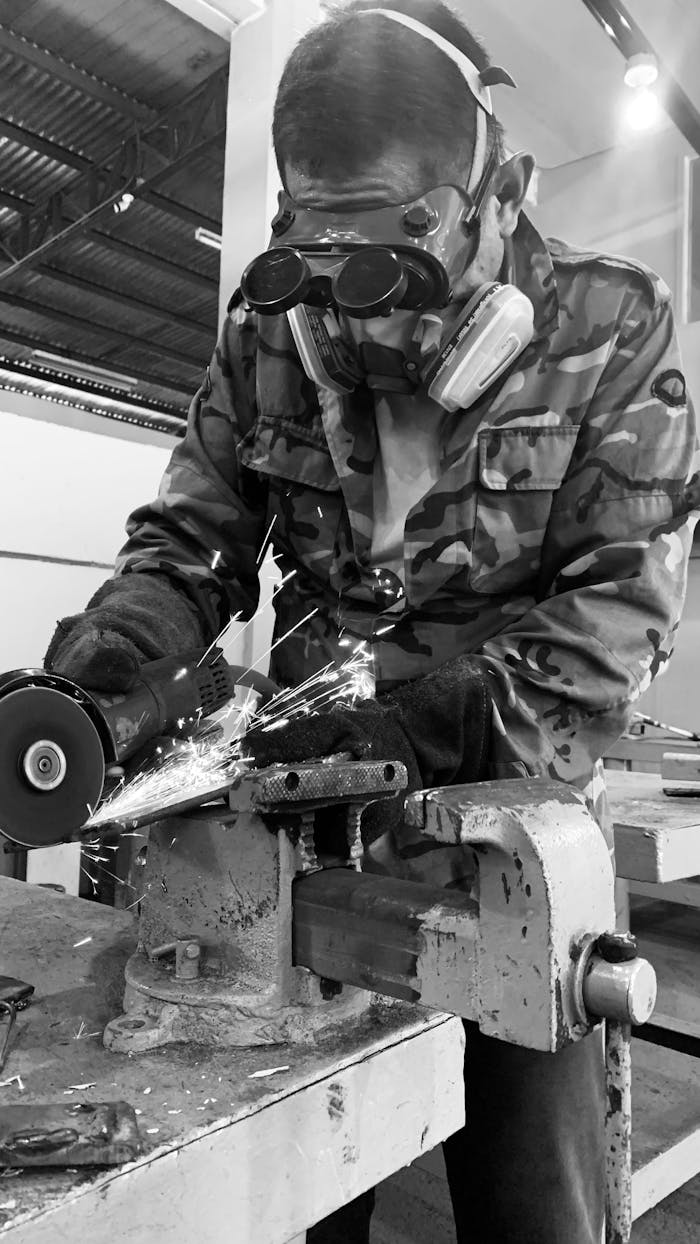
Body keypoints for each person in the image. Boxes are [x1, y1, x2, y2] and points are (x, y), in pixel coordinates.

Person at [45, 2, 698, 1240]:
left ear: (495, 191)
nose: (357, 314)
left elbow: (619, 608)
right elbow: (190, 544)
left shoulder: (610, 325)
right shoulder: (266, 327)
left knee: (534, 1208)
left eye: (397, 261)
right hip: (303, 838)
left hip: (506, 840)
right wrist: (111, 664)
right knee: (295, 1171)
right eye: (322, 260)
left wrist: (415, 727)